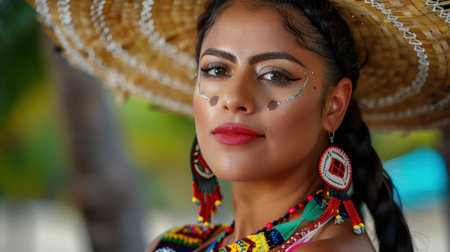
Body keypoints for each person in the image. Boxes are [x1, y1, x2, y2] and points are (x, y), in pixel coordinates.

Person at [28, 0, 449, 251]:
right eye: (215, 69)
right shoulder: (180, 243)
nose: (234, 98)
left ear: (334, 105)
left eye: (274, 75)